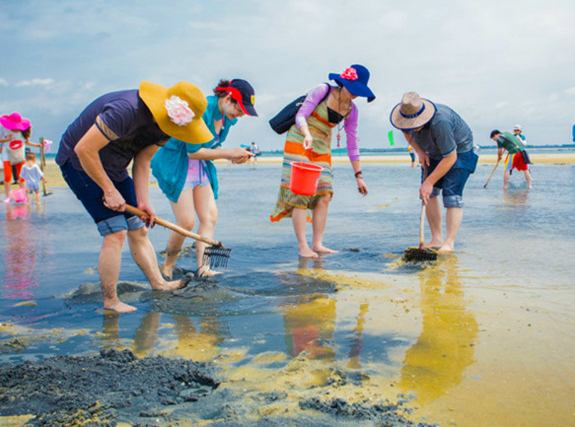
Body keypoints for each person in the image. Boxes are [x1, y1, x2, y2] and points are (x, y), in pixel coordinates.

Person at [56, 80, 213, 313]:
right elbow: (84, 149)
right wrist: (108, 190)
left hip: (116, 168)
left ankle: (159, 283)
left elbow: (142, 161)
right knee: (116, 231)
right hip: (80, 163)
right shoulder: (126, 110)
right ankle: (110, 301)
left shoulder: (168, 128)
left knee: (139, 227)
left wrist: (143, 202)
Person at [151, 79, 257, 279]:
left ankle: (204, 267)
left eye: (244, 112)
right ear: (228, 98)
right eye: (240, 109)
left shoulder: (227, 118)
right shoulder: (203, 109)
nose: (241, 115)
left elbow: (213, 148)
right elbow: (193, 151)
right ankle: (167, 266)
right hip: (176, 163)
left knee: (210, 216)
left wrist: (235, 157)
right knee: (186, 222)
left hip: (199, 166)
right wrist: (228, 153)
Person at [270, 64, 374, 258]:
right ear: (344, 83)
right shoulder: (323, 91)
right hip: (300, 139)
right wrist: (307, 133)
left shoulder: (352, 110)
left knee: (325, 192)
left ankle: (317, 244)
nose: (356, 94)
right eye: (354, 89)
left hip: (322, 146)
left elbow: (352, 143)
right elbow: (301, 115)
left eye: (360, 91)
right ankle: (303, 246)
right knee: (301, 192)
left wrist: (358, 176)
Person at [390, 92, 478, 253]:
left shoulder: (440, 122)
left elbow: (451, 157)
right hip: (431, 152)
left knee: (452, 196)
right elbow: (406, 133)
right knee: (427, 194)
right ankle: (436, 238)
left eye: (414, 123)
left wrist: (429, 181)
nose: (410, 126)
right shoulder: (405, 119)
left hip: (459, 152)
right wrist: (419, 151)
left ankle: (449, 243)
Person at [0, 112, 43, 202]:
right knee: (7, 176)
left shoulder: (22, 131)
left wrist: (36, 145)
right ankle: (8, 196)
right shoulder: (4, 129)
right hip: (7, 155)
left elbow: (26, 142)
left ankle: (23, 195)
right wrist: (6, 140)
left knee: (22, 176)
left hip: (20, 155)